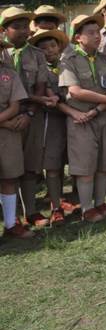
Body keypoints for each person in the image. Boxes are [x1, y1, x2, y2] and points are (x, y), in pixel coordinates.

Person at [57, 14, 106, 224]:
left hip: (102, 116)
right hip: (81, 120)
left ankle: (100, 202)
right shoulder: (68, 61)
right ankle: (87, 208)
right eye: (90, 33)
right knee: (85, 167)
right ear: (78, 38)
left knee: (103, 164)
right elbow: (75, 91)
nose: (97, 36)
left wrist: (99, 109)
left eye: (98, 32)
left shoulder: (105, 60)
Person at [0, 7, 54, 228]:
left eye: (25, 26)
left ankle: (30, 211)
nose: (23, 31)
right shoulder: (2, 54)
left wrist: (30, 113)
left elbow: (40, 86)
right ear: (4, 30)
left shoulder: (37, 54)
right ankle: (10, 217)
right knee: (7, 169)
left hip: (30, 115)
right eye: (17, 27)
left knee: (30, 165)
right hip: (4, 121)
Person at [29, 28, 80, 223]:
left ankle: (77, 200)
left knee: (75, 161)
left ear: (59, 47)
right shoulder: (40, 71)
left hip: (73, 119)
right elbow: (49, 96)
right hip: (51, 121)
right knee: (52, 165)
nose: (49, 50)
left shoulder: (69, 65)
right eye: (44, 48)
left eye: (52, 46)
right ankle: (55, 206)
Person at [0, 38, 32, 238]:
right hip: (7, 125)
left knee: (9, 177)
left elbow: (14, 106)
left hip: (8, 135)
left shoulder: (9, 74)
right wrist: (4, 123)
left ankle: (11, 224)